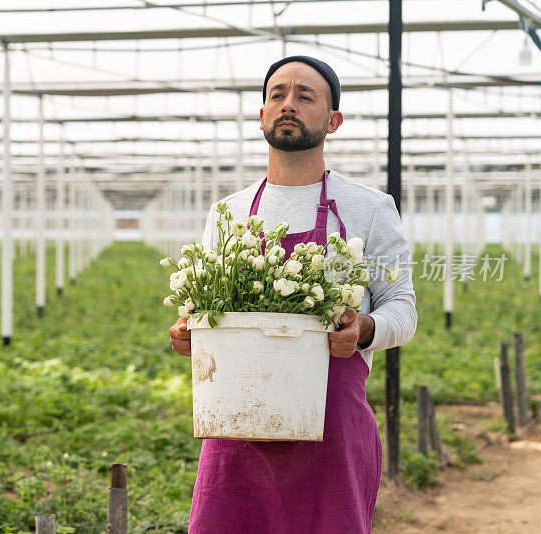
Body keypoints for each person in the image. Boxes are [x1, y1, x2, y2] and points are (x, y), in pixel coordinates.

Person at [168, 56, 418, 533]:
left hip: (331, 427)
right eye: (277, 94)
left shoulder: (369, 208)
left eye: (306, 96)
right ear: (261, 114)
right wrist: (191, 331)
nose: (288, 104)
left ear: (333, 120)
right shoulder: (230, 212)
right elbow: (204, 312)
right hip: (236, 425)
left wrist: (364, 328)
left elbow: (402, 309)